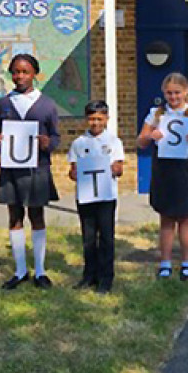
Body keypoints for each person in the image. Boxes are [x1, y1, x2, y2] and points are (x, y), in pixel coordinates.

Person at [0, 54, 61, 290]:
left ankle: (40, 270)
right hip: (11, 169)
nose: (20, 76)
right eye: (16, 72)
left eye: (25, 72)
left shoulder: (47, 104)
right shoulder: (2, 104)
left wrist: (47, 144)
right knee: (15, 216)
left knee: (37, 216)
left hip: (37, 169)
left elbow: (56, 137)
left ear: (35, 74)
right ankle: (20, 270)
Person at [137, 72, 188, 281]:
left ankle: (187, 263)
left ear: (186, 92)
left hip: (186, 167)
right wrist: (150, 136)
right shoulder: (156, 114)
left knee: (185, 217)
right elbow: (140, 141)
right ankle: (165, 262)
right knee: (166, 217)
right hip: (164, 167)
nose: (173, 97)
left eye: (177, 93)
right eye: (169, 93)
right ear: (164, 93)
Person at [67, 100, 125, 294]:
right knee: (88, 237)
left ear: (107, 119)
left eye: (100, 119)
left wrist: (113, 169)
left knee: (107, 237)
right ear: (86, 119)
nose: (95, 123)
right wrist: (75, 173)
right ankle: (89, 275)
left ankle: (106, 278)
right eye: (92, 119)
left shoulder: (113, 141)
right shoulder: (79, 143)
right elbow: (73, 169)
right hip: (86, 196)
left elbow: (119, 168)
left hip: (106, 196)